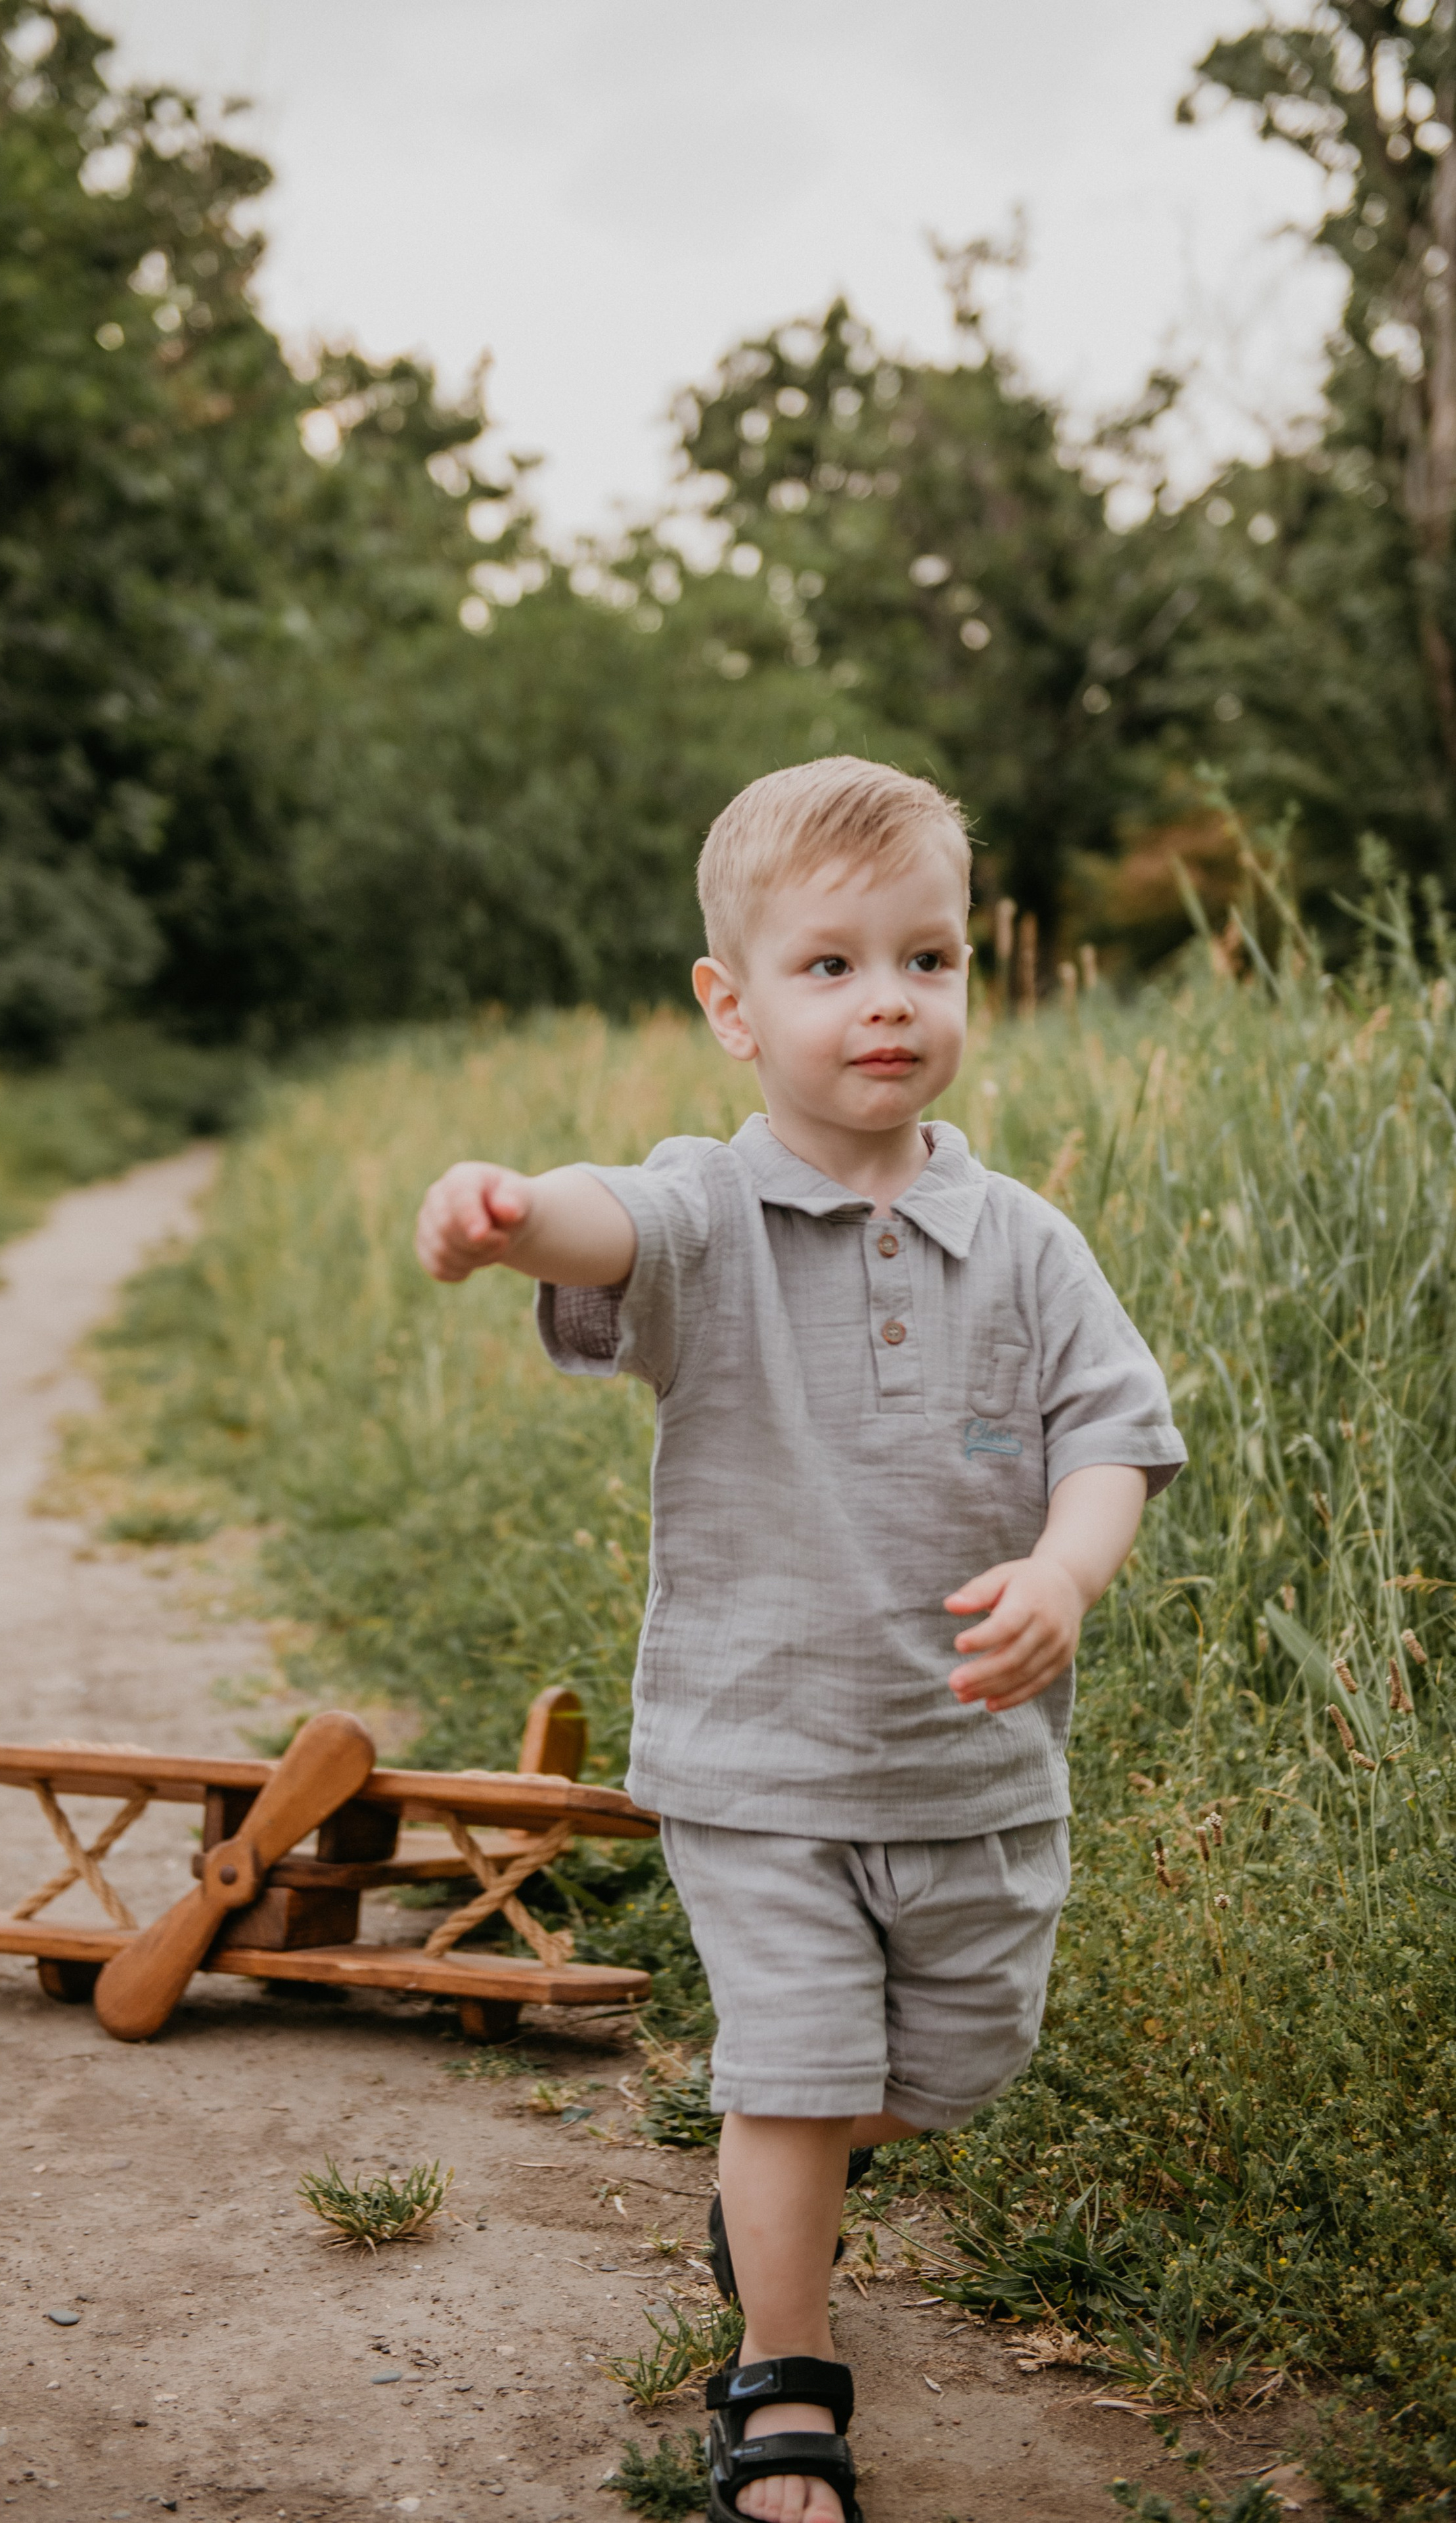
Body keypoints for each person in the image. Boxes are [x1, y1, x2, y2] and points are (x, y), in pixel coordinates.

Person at [413, 758, 1185, 2523]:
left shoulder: (1027, 1242)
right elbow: (607, 1219)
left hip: (976, 1771)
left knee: (949, 2068)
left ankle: (791, 2170)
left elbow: (1112, 1442)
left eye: (930, 957)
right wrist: (512, 1209)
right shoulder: (708, 1213)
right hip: (763, 1758)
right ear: (734, 1007)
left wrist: (1066, 1576)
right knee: (797, 2067)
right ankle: (783, 2373)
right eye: (829, 966)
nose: (890, 1000)